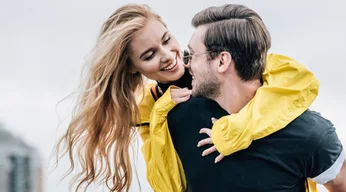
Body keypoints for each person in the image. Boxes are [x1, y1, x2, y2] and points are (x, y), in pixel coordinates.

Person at [55, 3, 320, 192]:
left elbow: (298, 80)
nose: (168, 55)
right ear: (132, 68)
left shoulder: (219, 59)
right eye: (149, 55)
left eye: (166, 39)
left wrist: (238, 130)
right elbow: (168, 185)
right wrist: (162, 111)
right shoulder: (151, 112)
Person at [166, 4, 346, 191]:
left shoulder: (311, 135)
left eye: (191, 55)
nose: (187, 64)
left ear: (222, 61)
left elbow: (344, 187)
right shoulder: (181, 117)